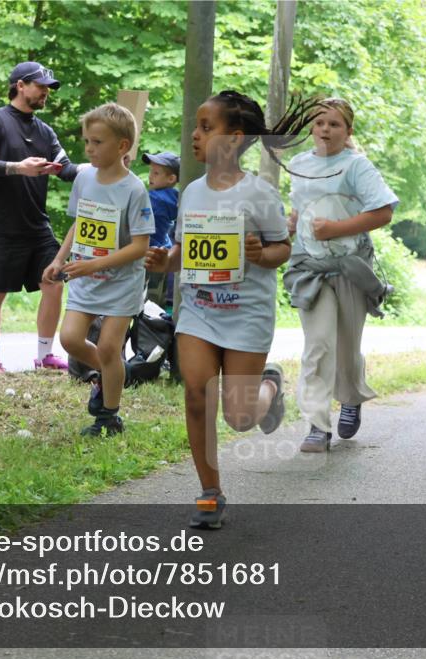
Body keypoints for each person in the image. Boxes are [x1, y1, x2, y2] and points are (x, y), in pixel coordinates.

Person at [144, 90, 321, 528]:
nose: (195, 135)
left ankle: (270, 387)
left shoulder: (259, 194)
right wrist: (165, 260)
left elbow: (282, 249)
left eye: (206, 127)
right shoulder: (192, 193)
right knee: (196, 394)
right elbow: (183, 250)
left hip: (246, 315)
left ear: (235, 138)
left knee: (240, 418)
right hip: (199, 313)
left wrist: (262, 253)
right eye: (196, 127)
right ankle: (210, 493)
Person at [282, 98, 397, 453]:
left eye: (333, 124)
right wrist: (290, 224)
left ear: (347, 130)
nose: (325, 130)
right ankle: (316, 424)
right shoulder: (299, 164)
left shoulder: (357, 166)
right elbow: (299, 209)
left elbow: (383, 213)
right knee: (318, 344)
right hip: (309, 267)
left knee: (346, 346)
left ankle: (350, 397)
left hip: (349, 266)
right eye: (319, 124)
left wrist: (335, 228)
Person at [42, 103, 154, 436]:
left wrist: (94, 264)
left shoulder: (134, 190)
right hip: (84, 279)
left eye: (97, 142)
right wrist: (59, 259)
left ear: (122, 146)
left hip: (121, 284)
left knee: (108, 348)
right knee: (70, 339)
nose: (89, 148)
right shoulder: (84, 178)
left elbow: (140, 246)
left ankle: (109, 416)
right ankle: (113, 374)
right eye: (87, 141)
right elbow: (80, 223)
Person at [0, 61, 82, 375]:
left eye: (49, 88)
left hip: (37, 226)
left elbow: (67, 170)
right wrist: (18, 167)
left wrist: (101, 165)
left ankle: (45, 356)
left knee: (54, 281)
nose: (46, 92)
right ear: (21, 85)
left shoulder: (45, 131)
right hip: (0, 227)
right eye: (41, 85)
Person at [142, 151, 180, 308]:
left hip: (148, 255)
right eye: (151, 171)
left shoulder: (155, 198)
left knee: (146, 305)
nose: (151, 176)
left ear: (171, 179)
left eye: (156, 173)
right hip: (163, 251)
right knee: (155, 304)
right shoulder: (176, 197)